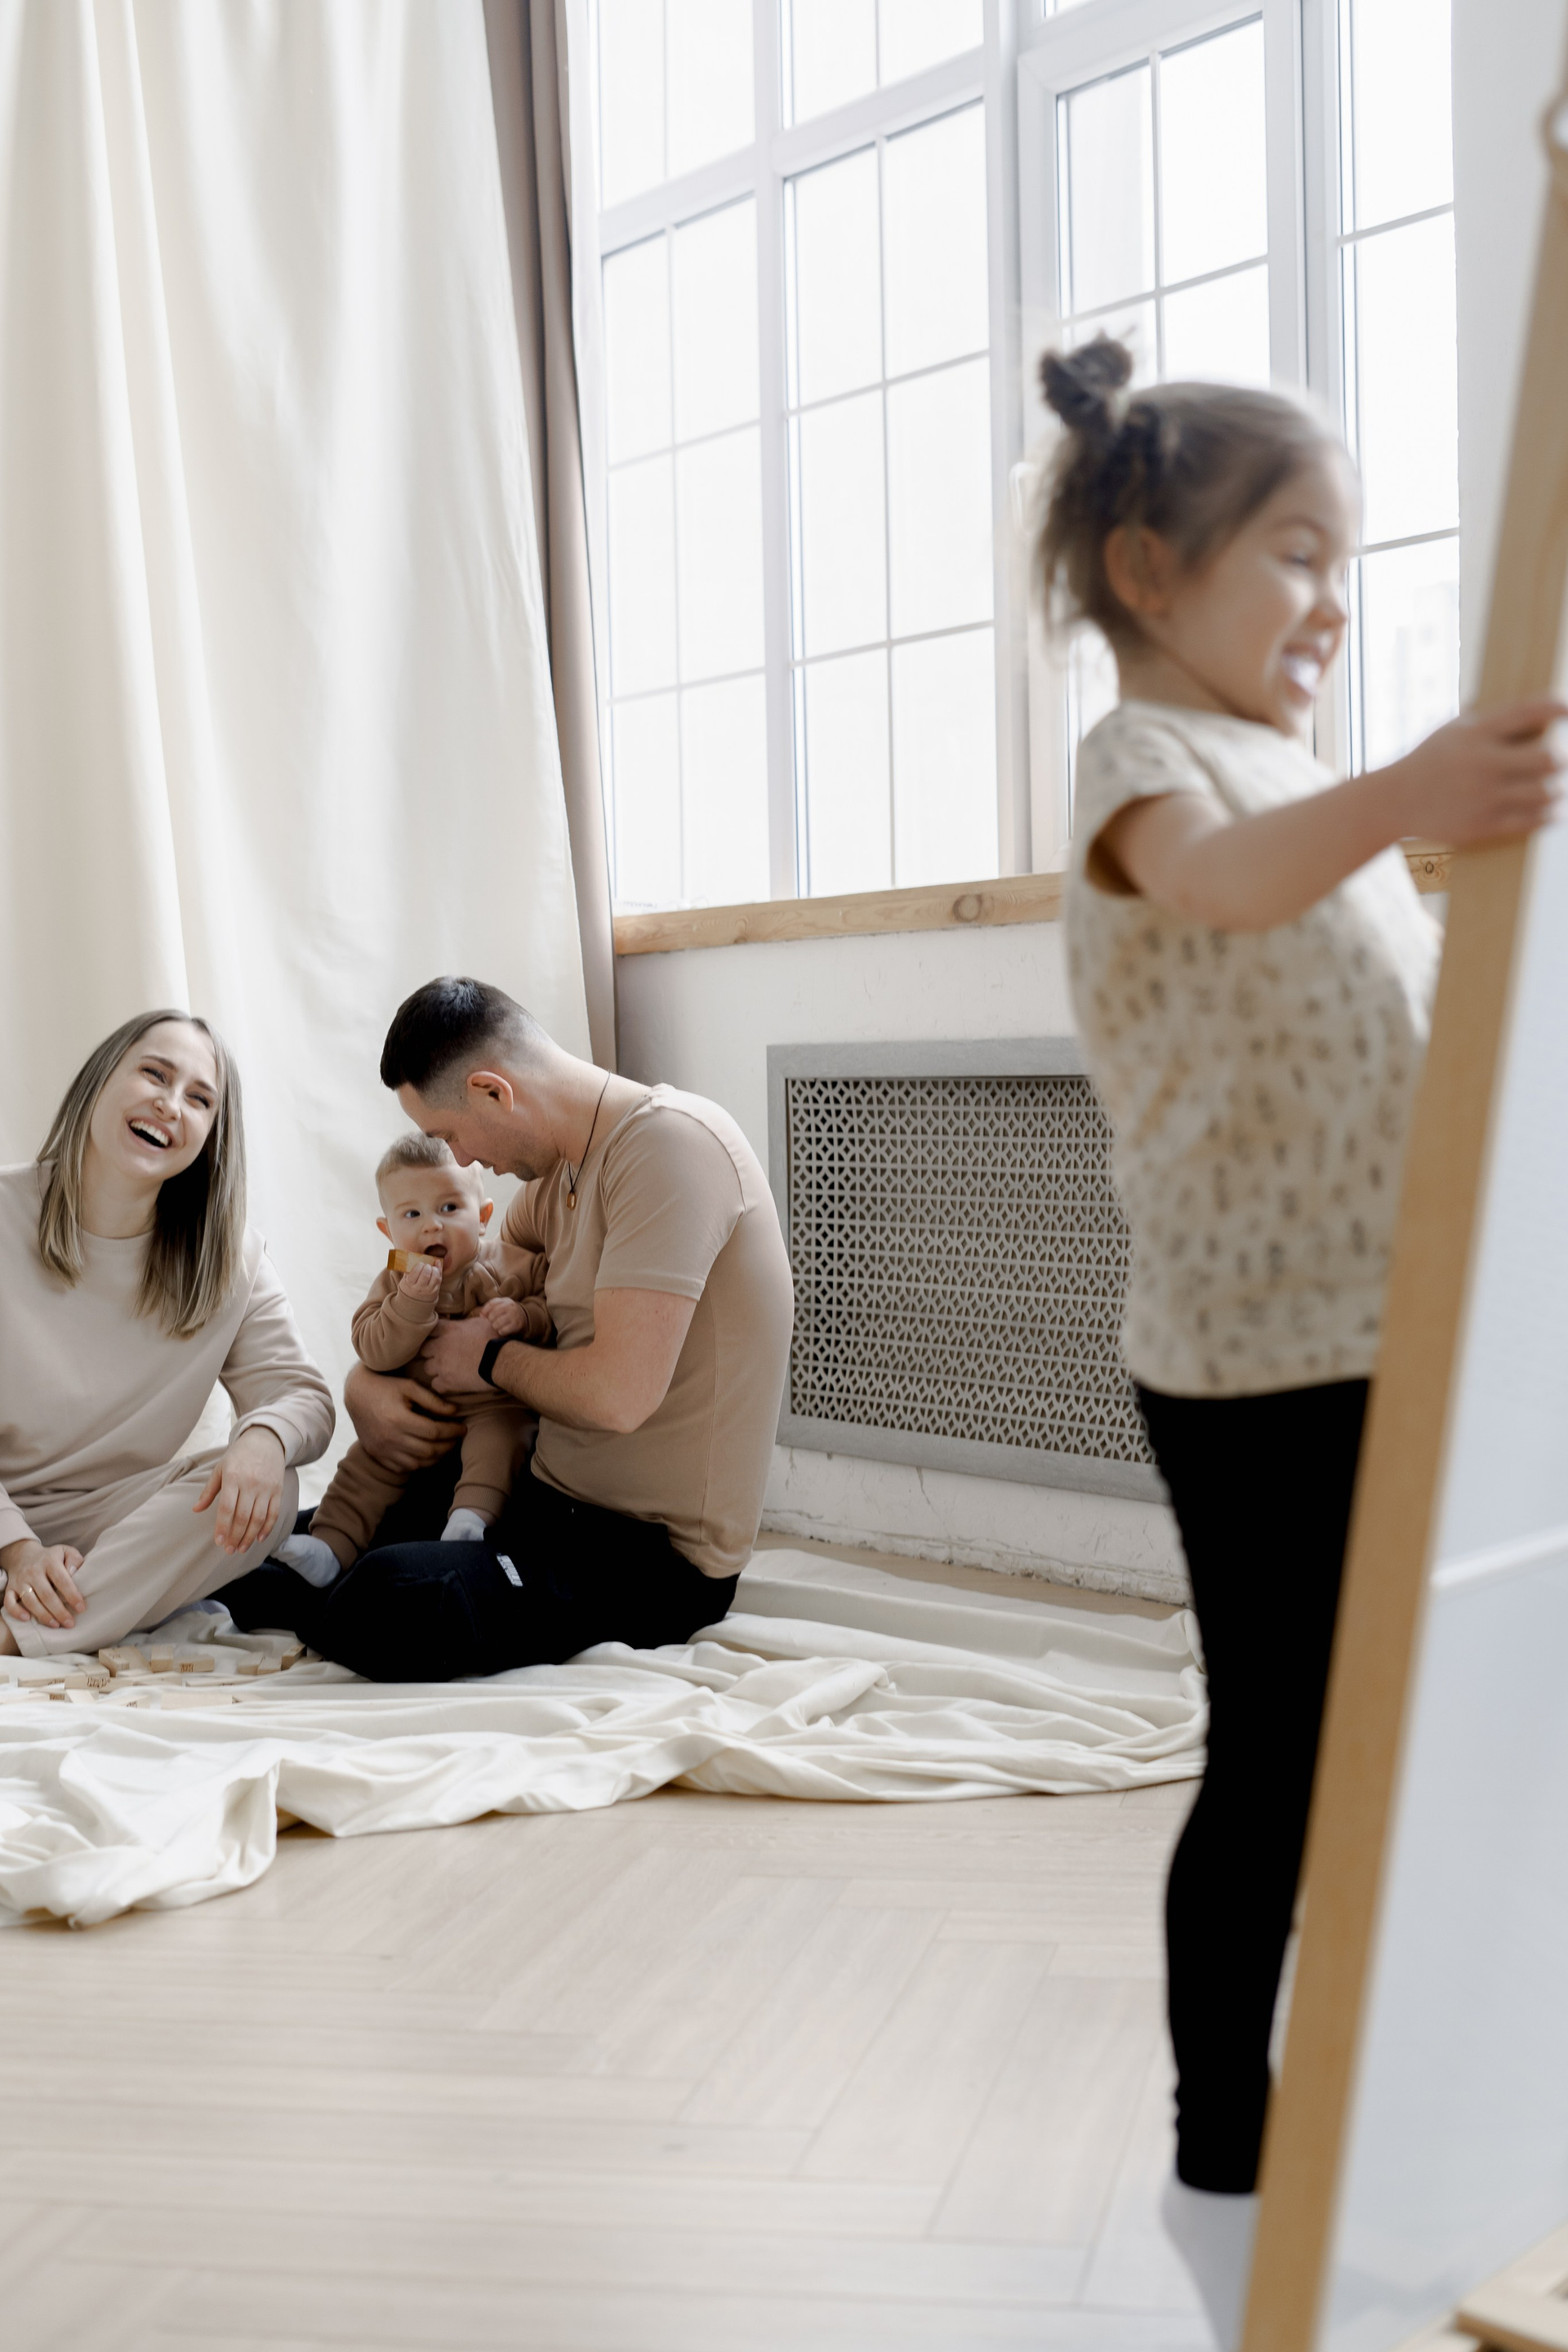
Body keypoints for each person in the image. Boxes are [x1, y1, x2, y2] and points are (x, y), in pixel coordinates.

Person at [1036, 336, 1563, 2345]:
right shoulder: (1147, 769)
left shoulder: (1292, 775)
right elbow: (1226, 886)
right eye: (1295, 553)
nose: (1332, 598)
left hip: (1390, 1333)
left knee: (1408, 1731)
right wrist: (1410, 793)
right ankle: (1221, 2140)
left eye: (1345, 558)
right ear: (1150, 573)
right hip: (1256, 1365)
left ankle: (1403, 2082)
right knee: (1277, 1755)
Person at [220, 979, 795, 1681]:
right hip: (538, 1497)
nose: (461, 1159)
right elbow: (459, 1288)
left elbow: (618, 1396)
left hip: (648, 1554)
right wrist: (367, 1386)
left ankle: (352, 1592)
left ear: (492, 1092)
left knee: (386, 1598)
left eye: (449, 1134)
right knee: (246, 1547)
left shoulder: (669, 1148)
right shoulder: (557, 1177)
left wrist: (489, 1359)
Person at [0, 1011, 335, 1658]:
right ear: (100, 1079)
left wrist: (264, 1438)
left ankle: (20, 1631)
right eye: (154, 1074)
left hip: (108, 1528)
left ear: (211, 1135)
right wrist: (18, 1550)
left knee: (273, 1487)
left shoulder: (229, 1259)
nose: (170, 1104)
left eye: (200, 1099)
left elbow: (302, 1395)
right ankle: (74, 1608)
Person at [276, 1133, 550, 1584]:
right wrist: (409, 1305)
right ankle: (329, 1546)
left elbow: (550, 1310)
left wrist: (524, 1316)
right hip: (417, 1415)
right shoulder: (396, 1277)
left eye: (449, 1208)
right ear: (389, 1232)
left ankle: (470, 1521)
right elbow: (371, 1347)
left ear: (483, 1218)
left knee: (503, 1440)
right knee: (366, 1464)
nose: (431, 1227)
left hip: (492, 1405)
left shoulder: (512, 1263)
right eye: (412, 1214)